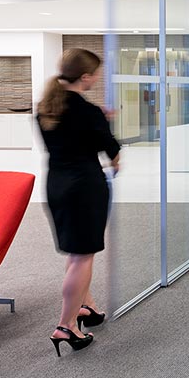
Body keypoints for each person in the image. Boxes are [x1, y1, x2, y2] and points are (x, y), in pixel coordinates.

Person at [36, 48, 120, 356]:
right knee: (83, 257)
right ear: (85, 77)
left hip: (57, 185)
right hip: (85, 187)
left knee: (76, 254)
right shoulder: (89, 112)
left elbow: (66, 139)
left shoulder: (45, 108)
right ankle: (66, 325)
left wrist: (98, 121)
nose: (97, 78)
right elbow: (112, 152)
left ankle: (88, 309)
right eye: (96, 73)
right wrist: (104, 123)